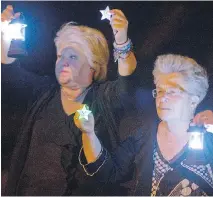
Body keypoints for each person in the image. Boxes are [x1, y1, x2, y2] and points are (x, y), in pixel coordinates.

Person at [1, 5, 139, 195]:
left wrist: (121, 38)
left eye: (72, 56)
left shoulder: (104, 97)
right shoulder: (43, 91)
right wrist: (4, 33)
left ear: (93, 66)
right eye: (60, 55)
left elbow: (127, 79)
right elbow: (10, 72)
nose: (63, 61)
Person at [76, 54, 213, 196]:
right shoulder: (144, 136)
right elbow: (109, 172)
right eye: (160, 90)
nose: (162, 98)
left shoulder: (208, 137)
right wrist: (88, 133)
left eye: (172, 91)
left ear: (193, 100)